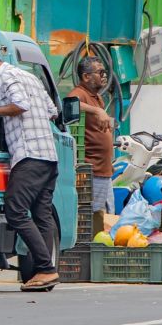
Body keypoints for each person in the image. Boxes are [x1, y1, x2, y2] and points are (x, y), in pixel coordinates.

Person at [0, 48, 60, 291]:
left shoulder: (6, 78)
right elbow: (52, 111)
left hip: (29, 155)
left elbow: (21, 104)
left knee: (15, 210)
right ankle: (45, 271)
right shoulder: (30, 76)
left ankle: (46, 269)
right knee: (42, 216)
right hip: (49, 155)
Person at [68, 56, 115, 213]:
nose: (104, 76)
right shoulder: (80, 93)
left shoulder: (97, 97)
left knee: (106, 215)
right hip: (93, 170)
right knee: (95, 215)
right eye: (100, 72)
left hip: (104, 170)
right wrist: (97, 110)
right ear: (86, 76)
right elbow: (70, 103)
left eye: (104, 72)